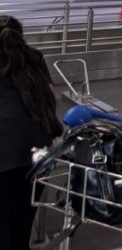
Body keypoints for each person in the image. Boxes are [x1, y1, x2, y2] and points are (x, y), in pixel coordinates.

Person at [0, 15, 62, 250]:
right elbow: (50, 97)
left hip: (3, 152)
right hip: (38, 152)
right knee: (21, 226)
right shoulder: (34, 58)